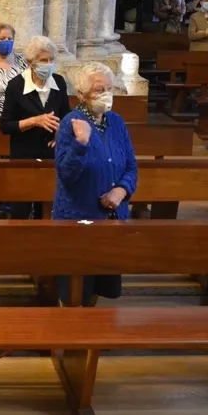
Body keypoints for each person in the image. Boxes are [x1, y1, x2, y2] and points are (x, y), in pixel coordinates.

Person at [54, 62, 137, 306]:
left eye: (109, 89)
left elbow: (131, 166)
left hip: (112, 219)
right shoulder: (71, 123)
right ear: (82, 95)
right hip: (78, 218)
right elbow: (66, 174)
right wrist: (81, 144)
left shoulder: (116, 122)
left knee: (100, 283)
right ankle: (70, 325)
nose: (106, 95)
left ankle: (89, 322)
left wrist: (121, 190)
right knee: (75, 288)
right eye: (99, 90)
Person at [0, 36, 70, 220]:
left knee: (47, 209)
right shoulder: (16, 86)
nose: (48, 64)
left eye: (51, 60)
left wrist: (60, 134)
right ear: (31, 62)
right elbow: (5, 126)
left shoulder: (59, 82)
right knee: (20, 210)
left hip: (51, 155)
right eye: (43, 60)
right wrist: (34, 121)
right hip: (23, 156)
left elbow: (67, 117)